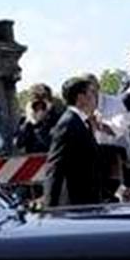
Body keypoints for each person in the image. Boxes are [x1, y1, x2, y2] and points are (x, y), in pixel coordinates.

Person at [43, 77, 102, 207]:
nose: (95, 97)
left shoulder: (82, 121)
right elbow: (55, 166)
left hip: (88, 199)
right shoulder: (68, 123)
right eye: (91, 92)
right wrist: (49, 206)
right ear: (81, 98)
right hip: (75, 203)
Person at [14, 84, 60, 155]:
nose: (39, 107)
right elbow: (18, 143)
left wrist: (39, 125)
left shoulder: (57, 119)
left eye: (43, 97)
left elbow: (50, 143)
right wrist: (29, 122)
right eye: (36, 98)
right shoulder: (26, 121)